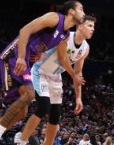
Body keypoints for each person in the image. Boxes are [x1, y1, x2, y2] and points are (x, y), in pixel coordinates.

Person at [0, 1, 86, 145]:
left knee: (22, 112)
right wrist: (21, 57)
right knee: (30, 94)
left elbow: (62, 57)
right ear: (71, 11)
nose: (84, 13)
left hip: (27, 62)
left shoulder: (65, 34)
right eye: (81, 9)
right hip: (14, 56)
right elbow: (25, 30)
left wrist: (73, 75)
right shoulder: (55, 18)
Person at [14, 16, 96, 145]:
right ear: (80, 27)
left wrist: (78, 98)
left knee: (55, 115)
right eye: (90, 26)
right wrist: (74, 75)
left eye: (93, 26)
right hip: (41, 72)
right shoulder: (66, 36)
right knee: (43, 107)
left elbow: (78, 73)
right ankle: (21, 141)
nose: (93, 29)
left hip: (56, 77)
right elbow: (63, 59)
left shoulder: (85, 48)